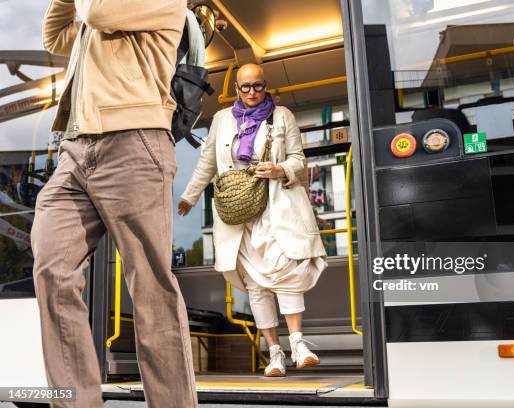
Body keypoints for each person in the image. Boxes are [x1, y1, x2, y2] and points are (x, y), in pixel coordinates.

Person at [31, 1, 198, 407]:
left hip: (134, 142)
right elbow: (55, 37)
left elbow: (98, 13)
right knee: (52, 267)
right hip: (76, 150)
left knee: (151, 286)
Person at [178, 63, 328, 377]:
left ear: (265, 85)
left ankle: (298, 344)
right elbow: (207, 163)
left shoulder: (281, 116)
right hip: (237, 216)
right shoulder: (221, 119)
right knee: (256, 285)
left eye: (257, 86)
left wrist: (280, 170)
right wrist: (190, 197)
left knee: (287, 270)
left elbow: (299, 160)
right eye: (245, 87)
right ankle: (274, 353)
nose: (251, 93)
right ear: (236, 89)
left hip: (277, 210)